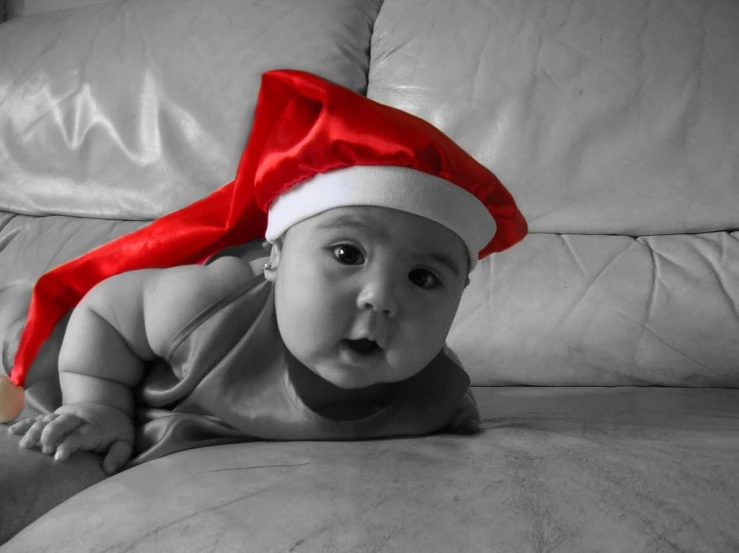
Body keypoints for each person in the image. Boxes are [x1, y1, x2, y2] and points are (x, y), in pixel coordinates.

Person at [3, 69, 527, 475]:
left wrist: (448, 404)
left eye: (423, 278)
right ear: (273, 257)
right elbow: (105, 313)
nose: (381, 298)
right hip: (86, 351)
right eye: (347, 255)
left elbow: (441, 368)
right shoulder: (208, 304)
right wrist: (99, 405)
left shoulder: (433, 380)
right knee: (16, 327)